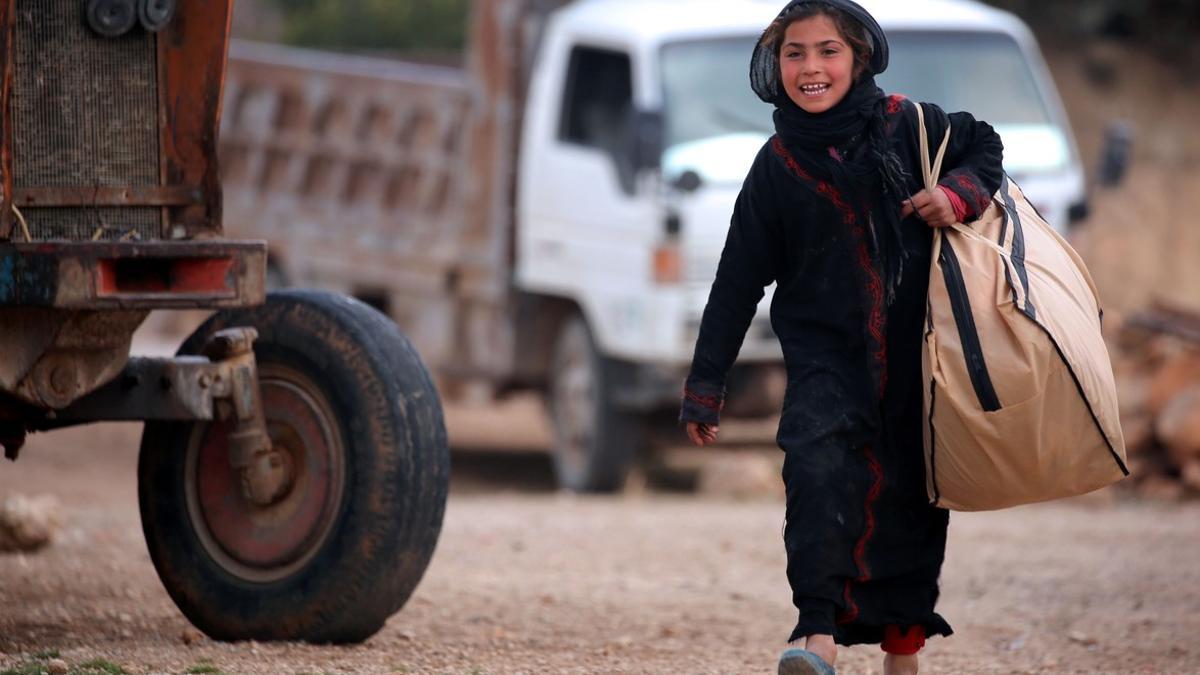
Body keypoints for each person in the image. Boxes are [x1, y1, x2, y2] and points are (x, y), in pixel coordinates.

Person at [678, 1, 1004, 674]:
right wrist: (705, 385)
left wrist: (957, 194)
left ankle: (902, 650)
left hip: (922, 354)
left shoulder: (911, 127)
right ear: (775, 65)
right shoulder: (777, 166)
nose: (811, 67)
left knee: (912, 500)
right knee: (816, 474)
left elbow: (985, 146)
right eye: (794, 53)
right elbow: (736, 281)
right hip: (825, 360)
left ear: (859, 59)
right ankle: (815, 631)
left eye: (828, 51)